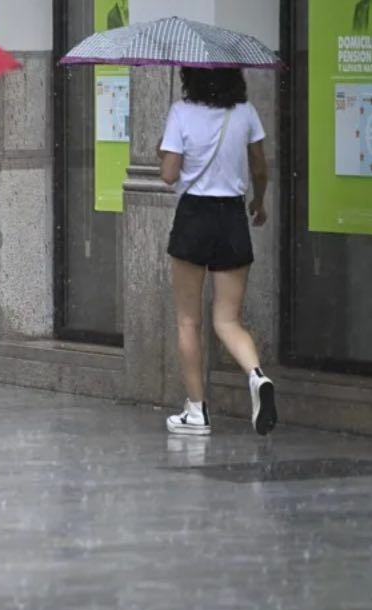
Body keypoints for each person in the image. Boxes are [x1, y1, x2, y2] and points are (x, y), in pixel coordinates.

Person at [157, 67, 277, 437]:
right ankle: (256, 376)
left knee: (188, 321)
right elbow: (259, 166)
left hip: (194, 215)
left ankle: (196, 412)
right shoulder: (245, 111)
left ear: (190, 76)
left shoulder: (181, 112)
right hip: (232, 216)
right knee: (228, 321)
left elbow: (169, 174)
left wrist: (163, 150)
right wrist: (259, 201)